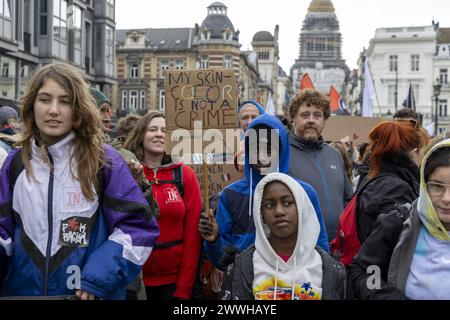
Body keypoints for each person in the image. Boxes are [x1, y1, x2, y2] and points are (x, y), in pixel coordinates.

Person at [0, 63, 159, 300]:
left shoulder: (105, 161)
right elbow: (3, 233)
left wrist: (97, 278)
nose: (54, 110)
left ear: (78, 110)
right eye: (45, 99)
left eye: (64, 101)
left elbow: (137, 228)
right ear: (32, 106)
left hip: (88, 295)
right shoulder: (15, 162)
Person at [199, 114, 329, 271]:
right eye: (255, 148)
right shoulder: (231, 195)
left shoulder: (304, 193)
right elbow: (221, 261)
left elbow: (321, 253)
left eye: (269, 149)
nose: (261, 155)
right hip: (245, 285)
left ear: (281, 151)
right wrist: (213, 241)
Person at [220, 173, 346, 300]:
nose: (279, 211)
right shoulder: (242, 268)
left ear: (301, 208)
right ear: (261, 214)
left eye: (287, 203)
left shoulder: (329, 270)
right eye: (269, 205)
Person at [350, 140, 450, 299]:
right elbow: (364, 271)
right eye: (437, 186)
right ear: (424, 185)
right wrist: (385, 296)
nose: (446, 198)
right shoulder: (398, 223)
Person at [124, 111, 202, 300]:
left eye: (164, 130)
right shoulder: (125, 172)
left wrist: (184, 288)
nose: (159, 134)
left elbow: (193, 237)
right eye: (152, 129)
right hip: (131, 280)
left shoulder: (186, 175)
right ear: (141, 135)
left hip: (173, 284)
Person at [288, 89, 354, 241]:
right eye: (305, 115)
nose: (311, 120)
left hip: (337, 249)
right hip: (300, 250)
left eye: (317, 115)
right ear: (293, 119)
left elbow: (348, 200)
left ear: (324, 121)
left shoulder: (335, 155)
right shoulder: (282, 154)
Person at [356, 120, 429, 244]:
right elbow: (394, 241)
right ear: (414, 152)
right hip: (385, 262)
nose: (423, 156)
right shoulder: (397, 189)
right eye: (423, 151)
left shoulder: (377, 176)